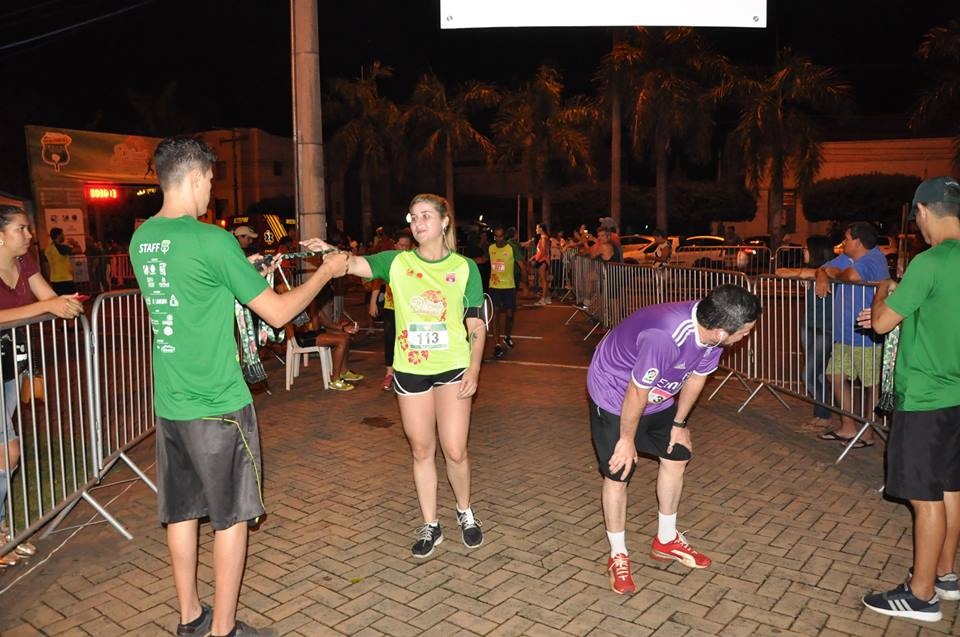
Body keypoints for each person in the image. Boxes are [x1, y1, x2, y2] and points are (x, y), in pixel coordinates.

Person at [129, 137, 348, 637]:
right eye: (208, 179)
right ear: (190, 177)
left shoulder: (142, 240)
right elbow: (276, 311)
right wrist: (325, 273)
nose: (211, 190)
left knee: (182, 512)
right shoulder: (211, 239)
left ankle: (189, 619)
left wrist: (239, 275)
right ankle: (223, 630)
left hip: (171, 403)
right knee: (231, 518)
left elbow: (195, 291)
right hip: (219, 405)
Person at [305, 193, 486, 559]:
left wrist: (475, 367)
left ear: (444, 222)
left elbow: (476, 323)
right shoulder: (397, 262)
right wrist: (328, 249)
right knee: (421, 449)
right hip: (411, 369)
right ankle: (430, 524)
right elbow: (353, 264)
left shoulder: (465, 268)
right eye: (413, 217)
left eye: (425, 216)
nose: (418, 223)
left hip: (453, 366)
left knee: (455, 448)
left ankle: (465, 511)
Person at [587, 284, 761, 594]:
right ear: (722, 331)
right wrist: (626, 439)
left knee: (677, 453)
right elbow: (636, 392)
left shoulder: (711, 330)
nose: (746, 336)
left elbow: (697, 377)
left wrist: (680, 422)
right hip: (615, 392)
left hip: (658, 393)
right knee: (619, 470)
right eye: (745, 332)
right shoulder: (665, 336)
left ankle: (665, 539)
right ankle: (618, 554)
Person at [859, 176, 960, 623]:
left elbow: (881, 324)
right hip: (957, 396)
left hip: (925, 396)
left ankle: (921, 596)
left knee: (924, 497)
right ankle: (946, 575)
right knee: (951, 488)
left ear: (921, 212)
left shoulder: (929, 261)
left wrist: (885, 293)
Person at [0, 206, 84, 568]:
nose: (29, 235)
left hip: (10, 366)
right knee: (9, 452)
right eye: (21, 229)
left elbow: (47, 299)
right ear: (0, 235)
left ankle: (3, 532)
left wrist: (64, 305)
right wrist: (46, 305)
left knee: (5, 454)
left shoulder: (27, 263)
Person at [814, 222, 889, 447]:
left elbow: (852, 276)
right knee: (834, 376)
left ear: (857, 241)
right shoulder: (847, 257)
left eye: (846, 238)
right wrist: (822, 274)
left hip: (866, 335)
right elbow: (823, 268)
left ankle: (868, 433)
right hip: (844, 334)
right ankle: (849, 427)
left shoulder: (874, 258)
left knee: (870, 385)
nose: (843, 243)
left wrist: (831, 273)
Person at [369, 231, 413, 390]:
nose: (403, 249)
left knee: (408, 339)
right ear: (395, 245)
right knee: (390, 338)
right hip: (391, 306)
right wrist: (373, 302)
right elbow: (377, 280)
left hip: (409, 309)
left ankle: (406, 372)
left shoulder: (414, 261)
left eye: (407, 247)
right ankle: (389, 373)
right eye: (401, 246)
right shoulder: (390, 261)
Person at [489, 226, 518, 359]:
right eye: (496, 236)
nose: (498, 239)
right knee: (495, 314)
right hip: (494, 286)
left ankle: (507, 336)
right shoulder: (491, 248)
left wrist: (525, 281)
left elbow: (521, 264)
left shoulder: (510, 248)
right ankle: (497, 345)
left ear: (504, 237)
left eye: (501, 236)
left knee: (509, 315)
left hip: (509, 287)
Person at [43, 227, 76, 295]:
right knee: (73, 300)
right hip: (65, 279)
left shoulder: (47, 249)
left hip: (54, 280)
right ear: (58, 236)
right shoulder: (61, 248)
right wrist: (74, 243)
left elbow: (46, 266)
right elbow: (78, 250)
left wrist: (49, 279)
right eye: (62, 234)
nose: (64, 236)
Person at [531, 223, 551, 305]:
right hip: (545, 260)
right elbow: (542, 251)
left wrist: (536, 260)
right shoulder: (545, 237)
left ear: (541, 229)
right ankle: (547, 298)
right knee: (544, 280)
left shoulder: (543, 238)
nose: (536, 230)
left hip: (543, 261)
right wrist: (533, 257)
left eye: (537, 228)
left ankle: (543, 299)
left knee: (543, 279)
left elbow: (542, 251)